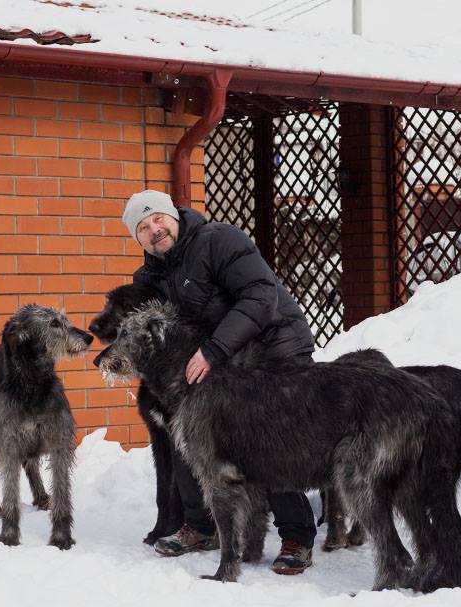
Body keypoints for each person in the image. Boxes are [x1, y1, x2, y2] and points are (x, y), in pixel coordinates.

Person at [121, 189, 318, 574]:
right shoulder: (150, 276)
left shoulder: (219, 240)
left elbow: (260, 296)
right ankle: (201, 525)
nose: (153, 230)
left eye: (157, 219)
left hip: (274, 346)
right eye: (142, 228)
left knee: (269, 438)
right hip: (218, 362)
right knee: (188, 431)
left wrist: (213, 350)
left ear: (173, 216)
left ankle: (296, 535)